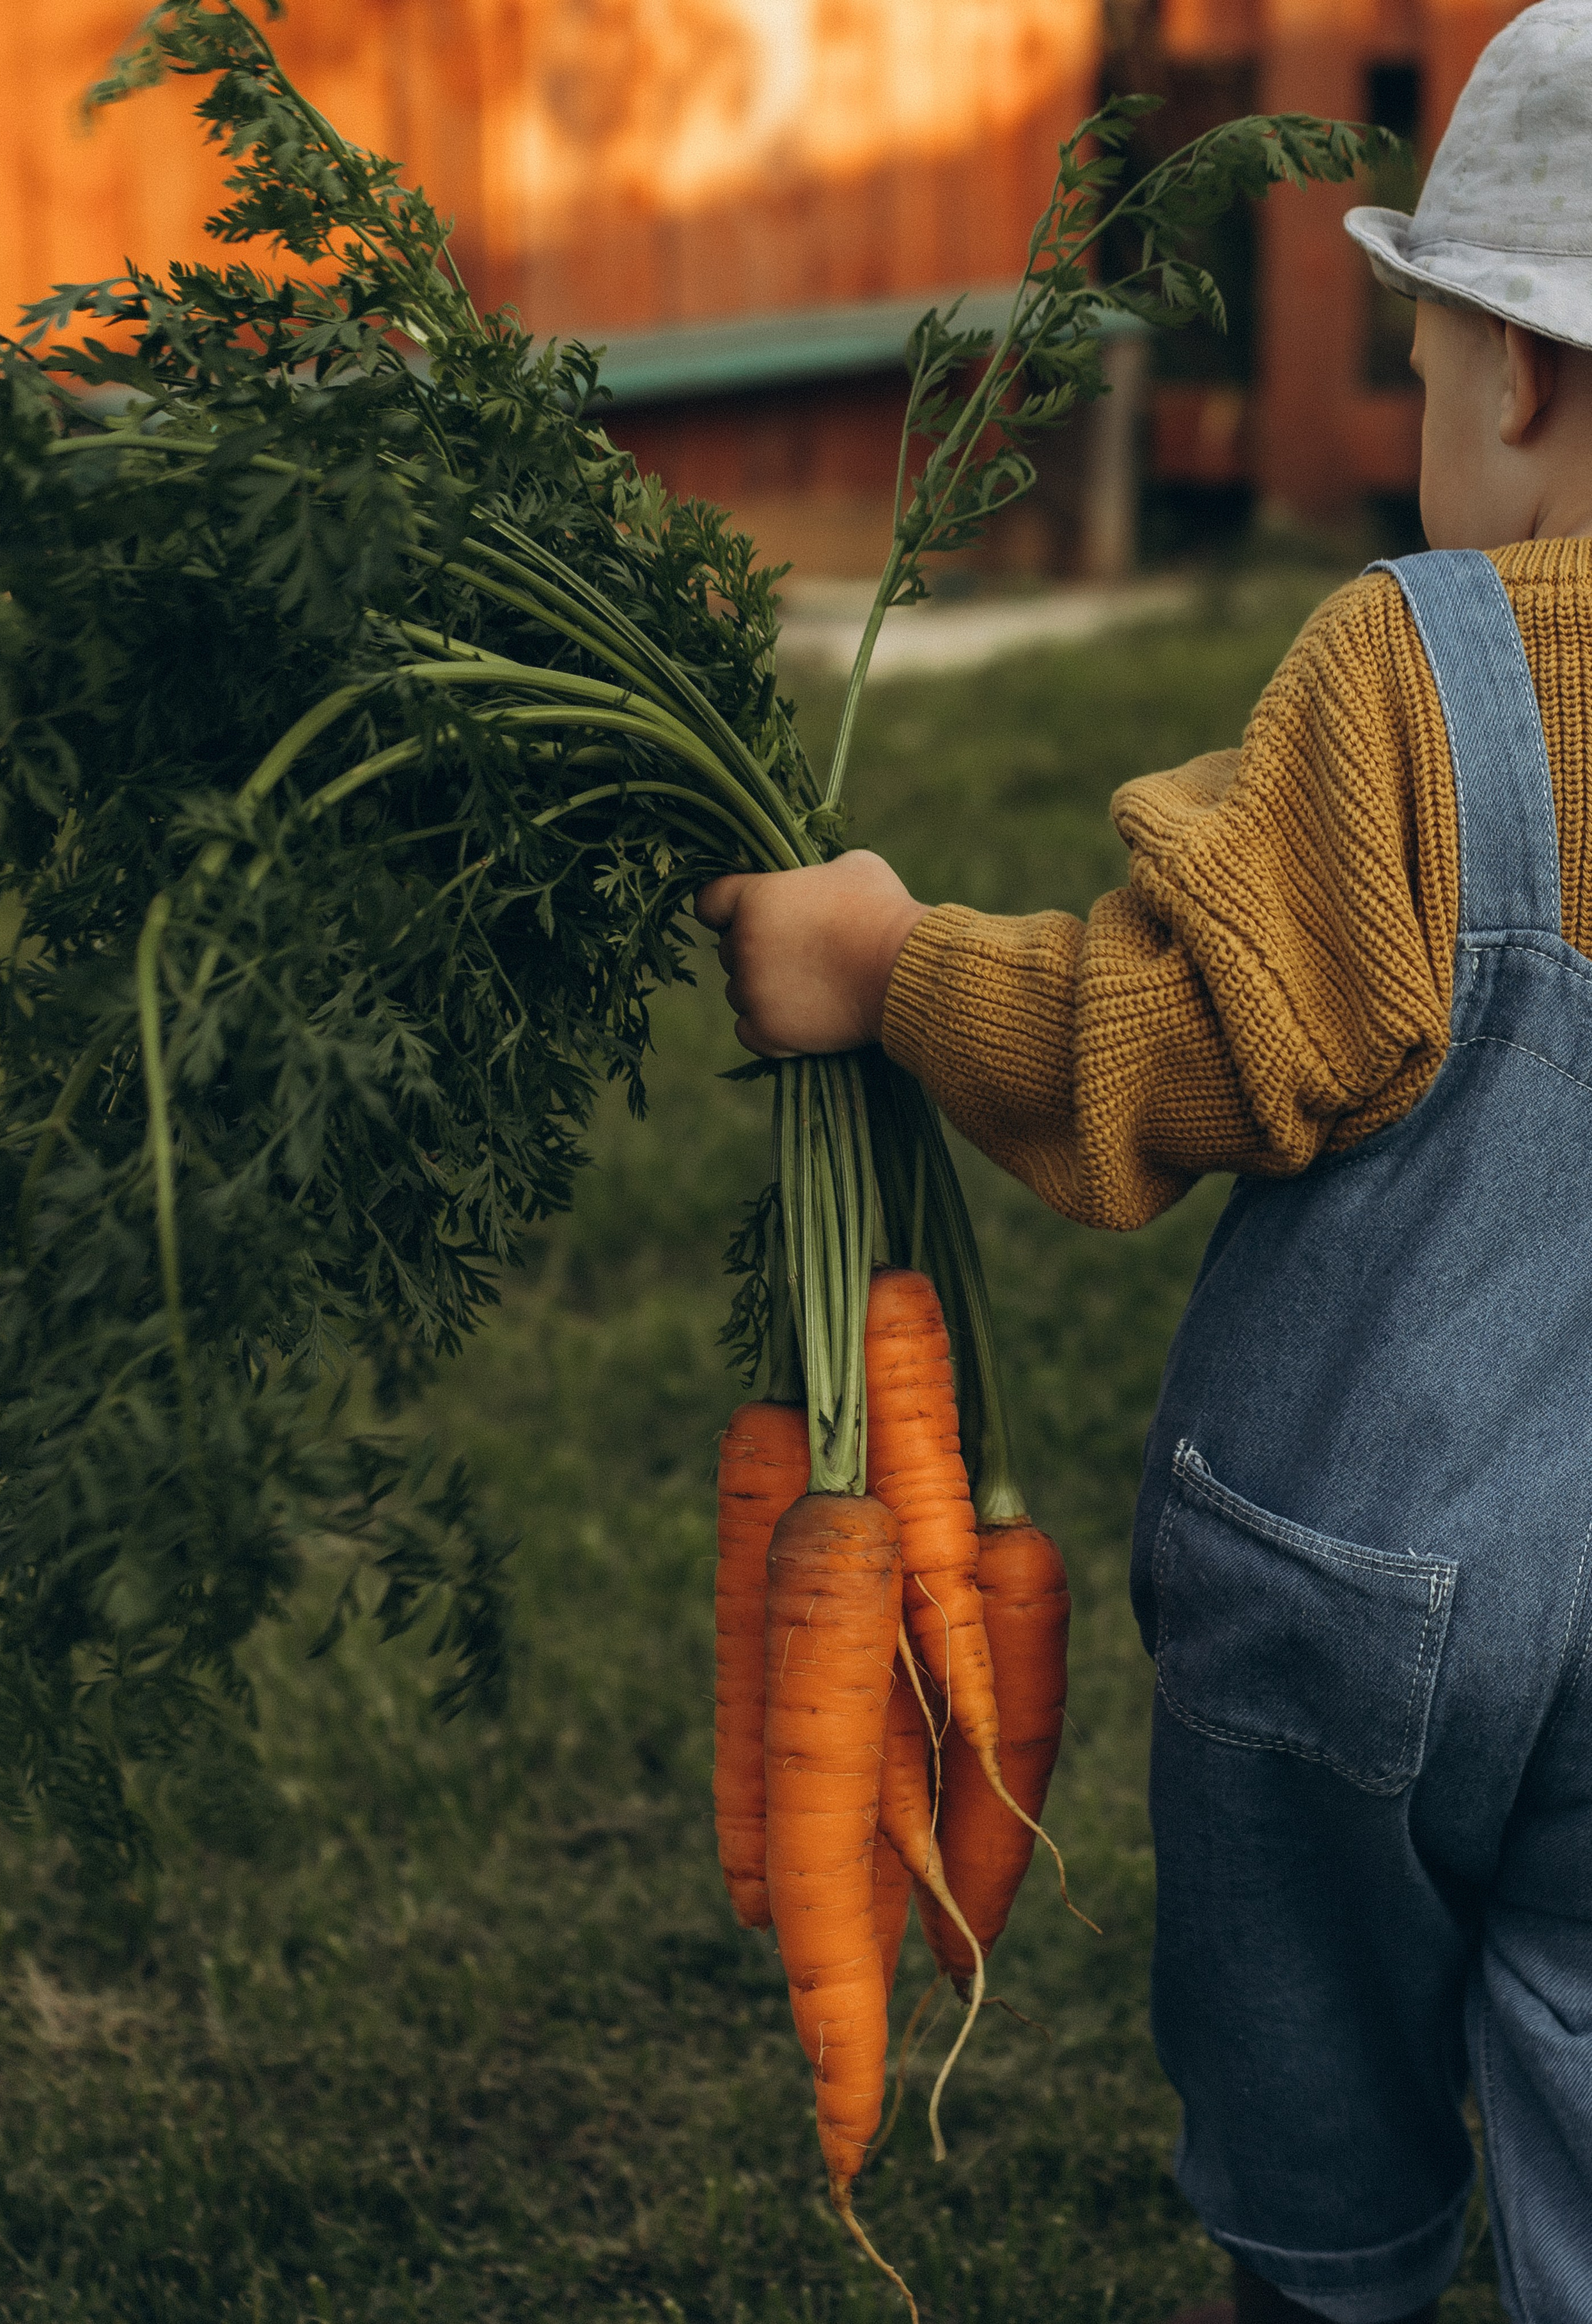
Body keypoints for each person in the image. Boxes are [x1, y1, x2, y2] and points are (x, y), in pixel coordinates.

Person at [695, 8, 1592, 2320]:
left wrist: (895, 965)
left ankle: (1330, 2277)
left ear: (1529, 379)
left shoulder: (1419, 680)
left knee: (1314, 2096)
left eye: (1418, 371)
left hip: (1350, 1586)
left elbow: (1167, 1042)